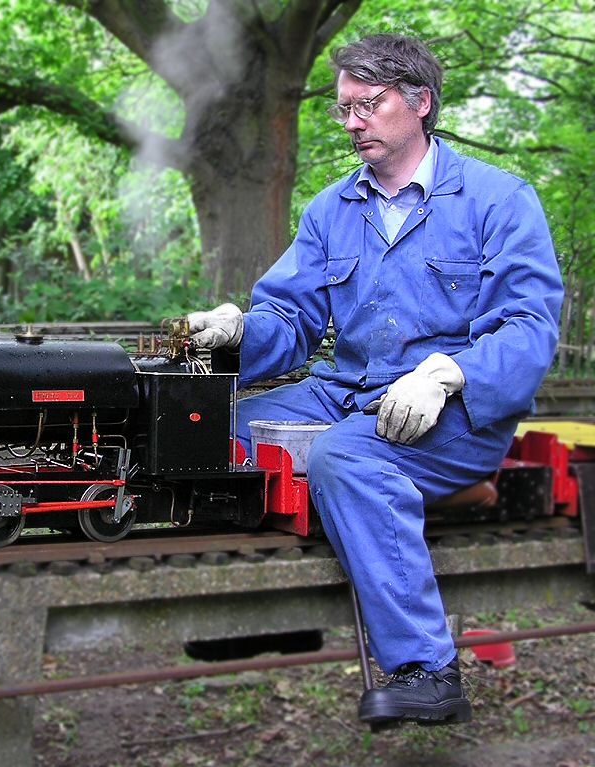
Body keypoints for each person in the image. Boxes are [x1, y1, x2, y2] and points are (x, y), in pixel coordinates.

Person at [187, 33, 563, 726]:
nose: (353, 121)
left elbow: (529, 329)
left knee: (345, 454)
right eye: (343, 109)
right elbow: (290, 318)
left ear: (420, 103)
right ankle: (268, 618)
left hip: (454, 412)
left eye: (368, 104)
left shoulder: (498, 200)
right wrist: (240, 329)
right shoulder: (333, 209)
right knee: (214, 429)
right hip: (350, 391)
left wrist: (450, 373)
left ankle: (427, 668)